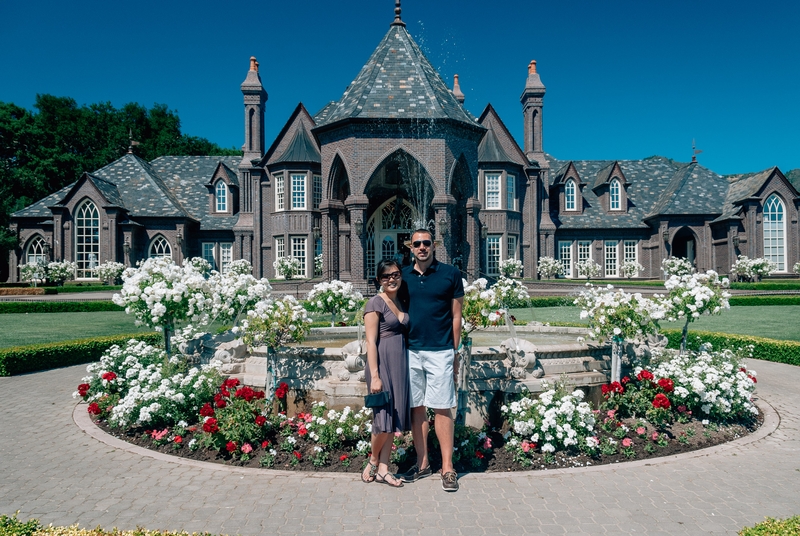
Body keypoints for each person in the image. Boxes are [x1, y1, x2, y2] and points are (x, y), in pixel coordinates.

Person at [398, 228, 464, 492]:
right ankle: (423, 463)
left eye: (426, 243)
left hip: (440, 351)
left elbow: (456, 316)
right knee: (417, 407)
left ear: (434, 245)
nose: (422, 247)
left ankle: (447, 468)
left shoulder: (450, 274)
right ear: (410, 247)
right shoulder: (402, 276)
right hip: (411, 351)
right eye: (417, 244)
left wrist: (455, 351)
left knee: (442, 407)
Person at [361, 258, 410, 488]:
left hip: (399, 365)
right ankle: (373, 459)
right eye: (386, 276)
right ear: (379, 280)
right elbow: (370, 342)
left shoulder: (400, 300)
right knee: (382, 421)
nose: (392, 279)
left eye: (396, 274)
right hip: (381, 365)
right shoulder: (374, 303)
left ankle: (384, 469)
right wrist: (375, 375)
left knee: (394, 418)